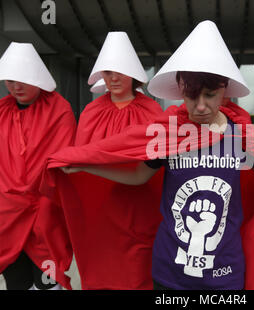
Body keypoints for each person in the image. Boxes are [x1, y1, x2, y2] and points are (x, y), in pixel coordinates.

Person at [58, 20, 254, 290]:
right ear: (180, 90)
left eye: (209, 94)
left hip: (226, 271)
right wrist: (87, 165)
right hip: (169, 271)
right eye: (191, 95)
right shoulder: (168, 133)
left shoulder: (238, 134)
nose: (200, 106)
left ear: (224, 90)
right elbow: (137, 176)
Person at [59, 31, 164, 290]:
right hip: (100, 208)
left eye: (120, 71)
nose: (113, 78)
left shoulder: (152, 110)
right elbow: (83, 155)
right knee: (102, 268)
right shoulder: (92, 111)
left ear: (134, 74)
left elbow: (158, 164)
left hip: (140, 206)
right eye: (107, 72)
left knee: (138, 273)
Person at [0, 42, 76, 290]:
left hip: (44, 213)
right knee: (16, 281)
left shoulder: (59, 110)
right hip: (5, 216)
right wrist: (10, 198)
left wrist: (31, 196)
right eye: (9, 80)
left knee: (47, 279)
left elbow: (59, 159)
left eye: (22, 79)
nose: (15, 86)